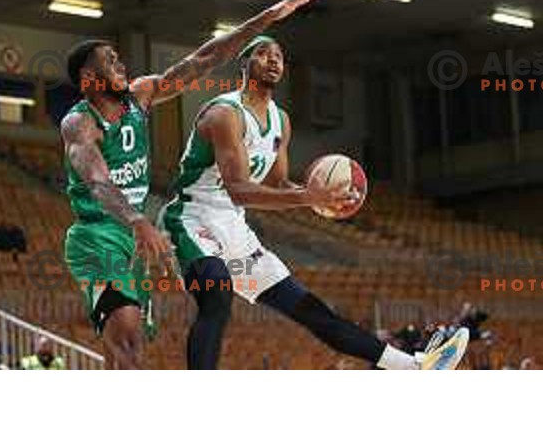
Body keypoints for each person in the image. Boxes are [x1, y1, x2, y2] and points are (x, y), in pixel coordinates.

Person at [160, 35, 469, 370]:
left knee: (311, 309)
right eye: (262, 54)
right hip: (192, 220)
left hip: (235, 230)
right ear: (244, 65)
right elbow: (239, 189)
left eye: (278, 55)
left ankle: (414, 366)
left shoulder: (281, 121)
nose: (273, 59)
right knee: (216, 294)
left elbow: (278, 184)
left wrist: (324, 201)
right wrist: (307, 195)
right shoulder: (225, 114)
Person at [61, 0, 319, 369]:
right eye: (110, 61)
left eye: (119, 58)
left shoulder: (141, 95)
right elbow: (97, 181)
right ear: (88, 78)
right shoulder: (79, 122)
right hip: (98, 235)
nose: (121, 64)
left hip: (131, 237)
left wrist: (265, 18)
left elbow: (206, 58)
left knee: (127, 346)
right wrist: (137, 220)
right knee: (127, 338)